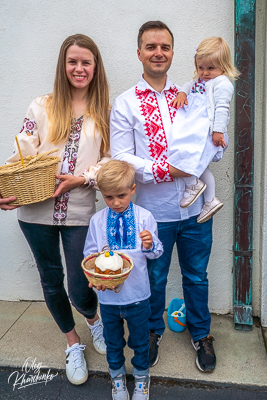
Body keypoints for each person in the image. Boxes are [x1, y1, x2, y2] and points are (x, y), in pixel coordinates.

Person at [110, 20, 219, 373]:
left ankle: (201, 333)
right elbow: (122, 157)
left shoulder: (194, 94)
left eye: (165, 47)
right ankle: (153, 332)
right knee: (153, 278)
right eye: (151, 46)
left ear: (173, 52)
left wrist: (211, 148)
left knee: (197, 276)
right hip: (151, 213)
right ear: (139, 52)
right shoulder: (125, 103)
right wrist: (168, 170)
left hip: (197, 208)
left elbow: (213, 141)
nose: (159, 52)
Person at [1, 34, 110, 385]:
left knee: (81, 285)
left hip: (80, 210)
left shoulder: (105, 111)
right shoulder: (41, 106)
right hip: (35, 212)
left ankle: (94, 321)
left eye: (86, 62)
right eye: (72, 61)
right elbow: (22, 153)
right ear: (63, 65)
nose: (79, 68)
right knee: (51, 281)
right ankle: (72, 342)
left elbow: (110, 161)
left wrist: (83, 179)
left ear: (95, 68)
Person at [84, 160, 163, 400]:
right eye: (108, 197)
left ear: (133, 189)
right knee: (113, 342)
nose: (116, 202)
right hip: (108, 299)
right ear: (101, 194)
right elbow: (90, 255)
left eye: (121, 195)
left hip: (138, 296)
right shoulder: (97, 221)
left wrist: (150, 244)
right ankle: (117, 379)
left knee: (140, 342)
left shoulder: (145, 217)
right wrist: (93, 277)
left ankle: (141, 379)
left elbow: (156, 252)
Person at [167, 37, 239, 223]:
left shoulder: (222, 83)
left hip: (206, 131)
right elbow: (189, 85)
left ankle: (194, 185)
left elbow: (222, 108)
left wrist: (218, 131)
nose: (205, 73)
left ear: (223, 66)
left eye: (210, 68)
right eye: (201, 67)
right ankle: (209, 200)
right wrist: (182, 93)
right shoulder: (200, 81)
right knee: (191, 158)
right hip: (194, 128)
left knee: (189, 158)